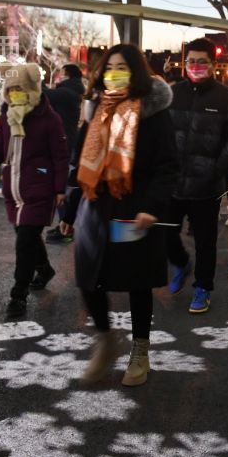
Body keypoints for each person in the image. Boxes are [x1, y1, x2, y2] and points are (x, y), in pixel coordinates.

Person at [63, 44, 178, 386]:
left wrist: (152, 206)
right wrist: (70, 209)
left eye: (122, 67)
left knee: (137, 282)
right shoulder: (98, 108)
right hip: (95, 208)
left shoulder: (154, 112)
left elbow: (168, 165)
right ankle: (106, 339)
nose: (114, 72)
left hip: (134, 208)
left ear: (136, 71)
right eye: (109, 66)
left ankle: (140, 351)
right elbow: (80, 159)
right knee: (88, 277)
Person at [0, 63, 69, 319]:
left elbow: (60, 156)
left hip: (39, 189)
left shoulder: (49, 118)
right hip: (14, 190)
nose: (14, 94)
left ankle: (18, 294)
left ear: (31, 89)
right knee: (27, 236)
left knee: (25, 240)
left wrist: (59, 188)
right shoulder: (7, 116)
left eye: (19, 89)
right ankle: (44, 268)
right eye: (10, 89)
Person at [165, 38, 228, 313]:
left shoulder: (227, 98)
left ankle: (203, 288)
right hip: (173, 182)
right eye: (191, 61)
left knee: (205, 242)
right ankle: (180, 263)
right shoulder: (173, 93)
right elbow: (161, 133)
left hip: (206, 186)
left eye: (202, 62)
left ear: (213, 65)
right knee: (164, 233)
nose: (196, 66)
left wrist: (217, 170)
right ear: (184, 62)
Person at [44, 64, 85, 243]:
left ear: (67, 74)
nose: (58, 76)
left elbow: (45, 94)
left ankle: (65, 227)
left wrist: (34, 79)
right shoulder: (72, 91)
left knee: (58, 186)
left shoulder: (67, 93)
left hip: (62, 143)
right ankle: (64, 224)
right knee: (59, 185)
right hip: (65, 142)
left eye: (61, 73)